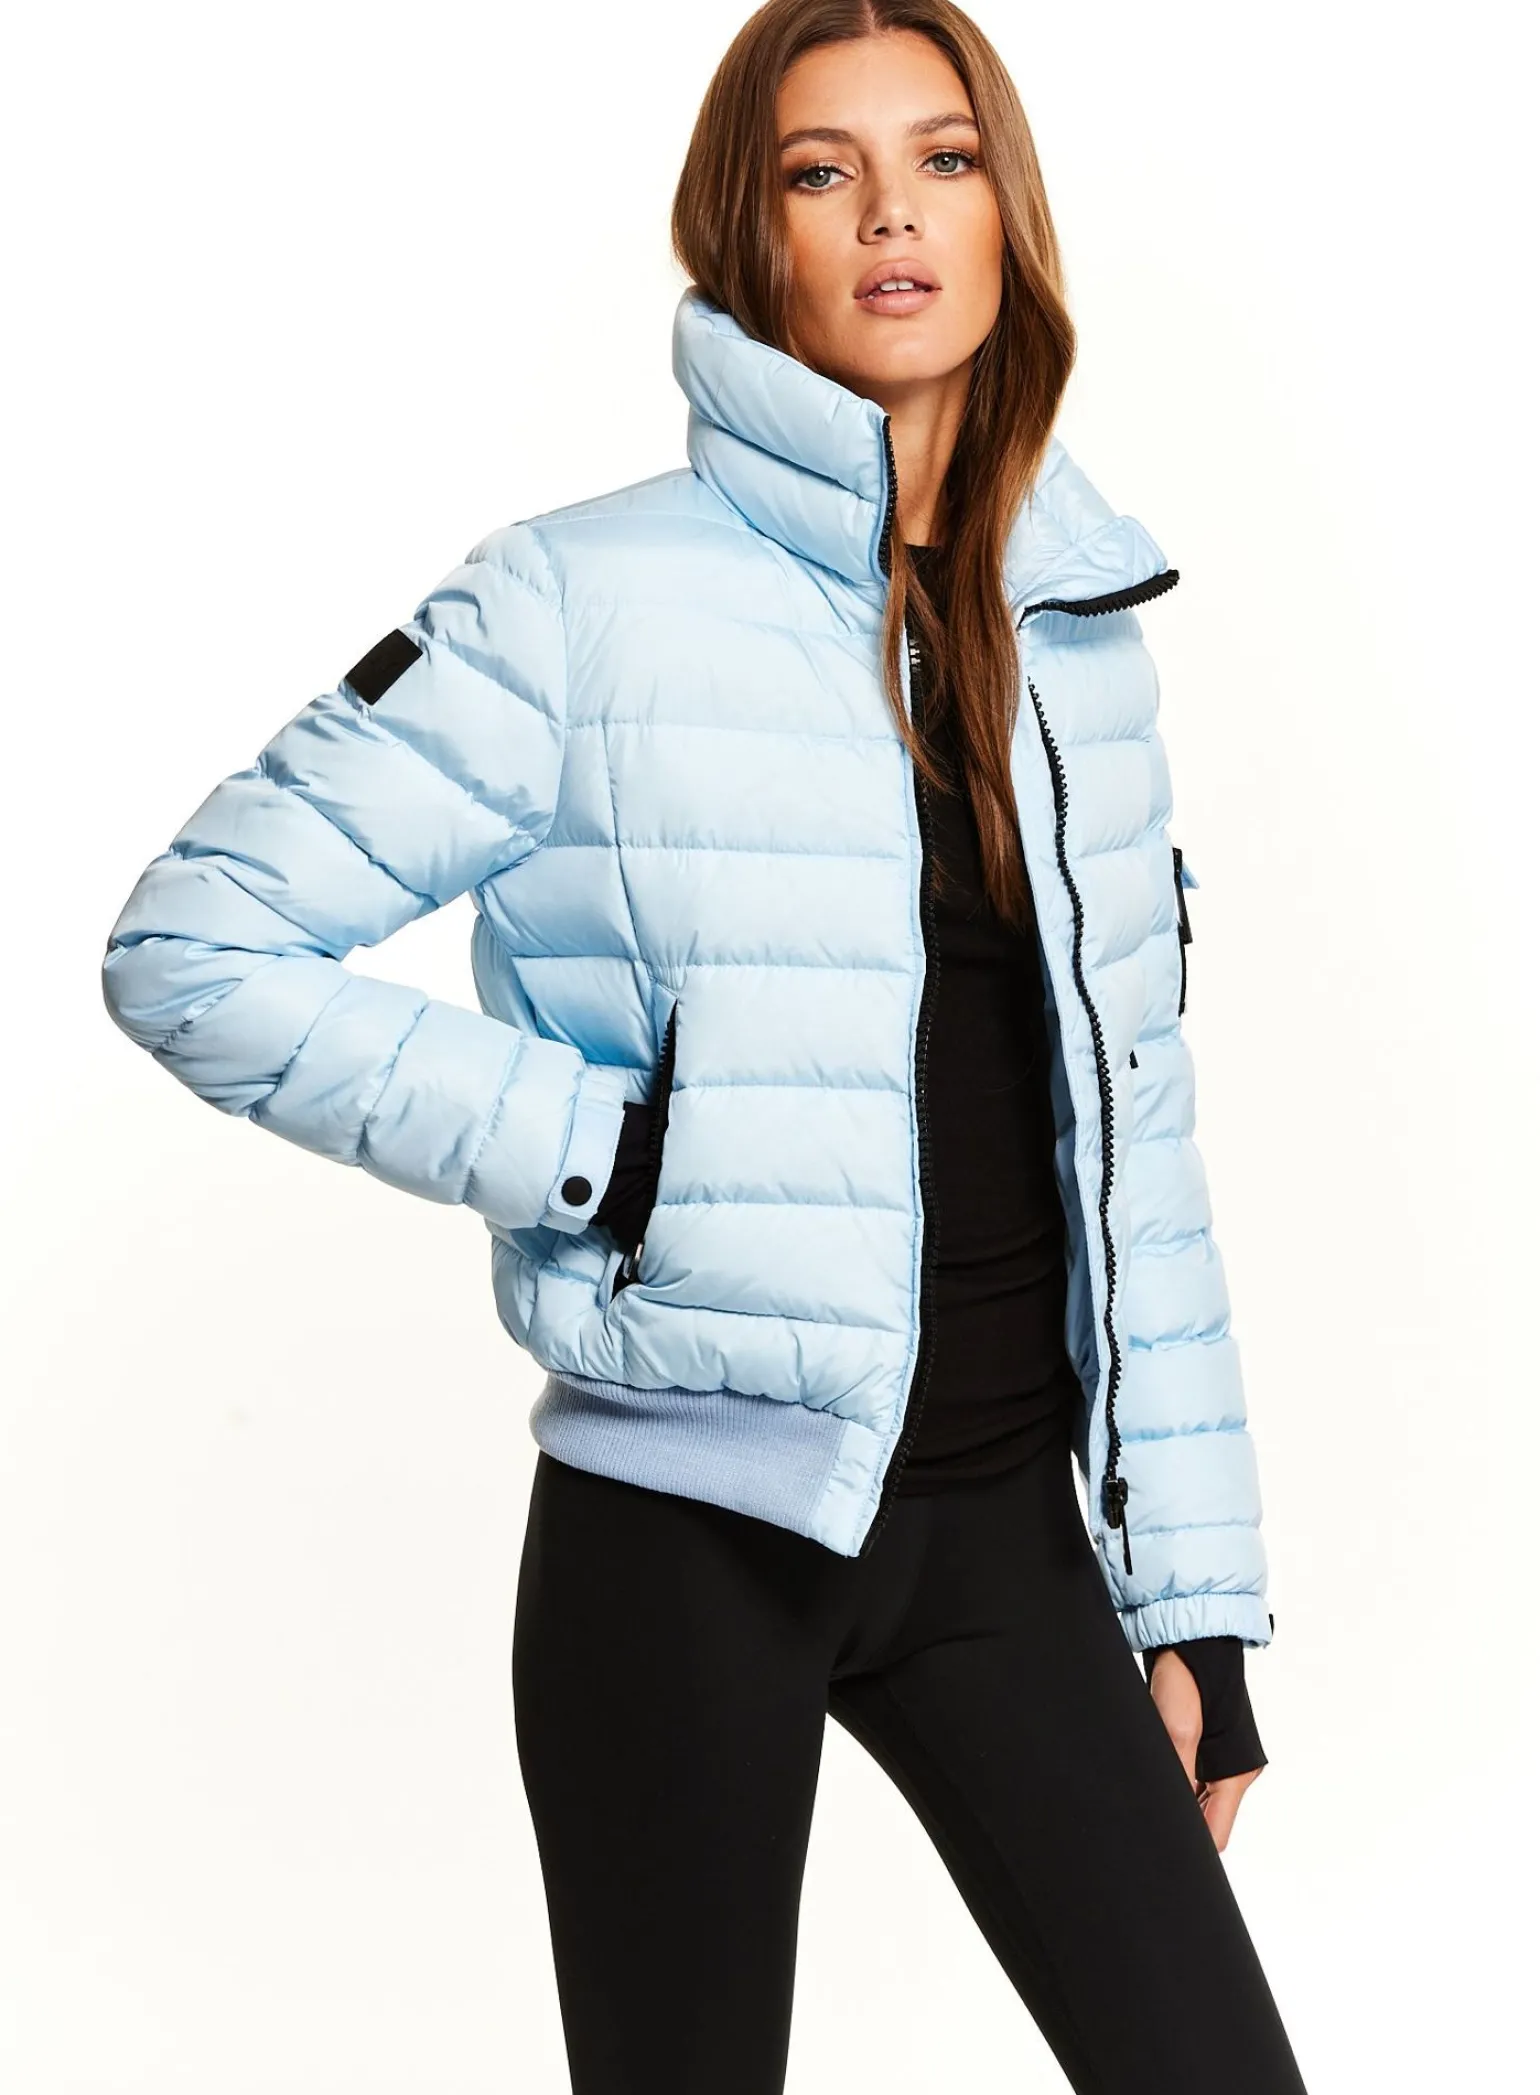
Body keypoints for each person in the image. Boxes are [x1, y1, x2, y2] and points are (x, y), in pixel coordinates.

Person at [100, 3, 1308, 2088]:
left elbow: (1139, 1139)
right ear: (751, 238)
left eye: (939, 159)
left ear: (1004, 216)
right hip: (684, 1546)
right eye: (821, 173)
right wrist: (611, 1155)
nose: (890, 214)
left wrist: (1191, 1592)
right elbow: (192, 943)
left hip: (1010, 1536)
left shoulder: (1084, 626)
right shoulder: (577, 603)